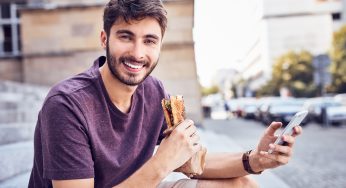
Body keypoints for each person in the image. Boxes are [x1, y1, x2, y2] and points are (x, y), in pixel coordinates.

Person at [28, 0, 302, 187]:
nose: (137, 53)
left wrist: (254, 159)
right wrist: (162, 163)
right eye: (126, 36)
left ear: (160, 45)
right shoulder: (66, 104)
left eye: (149, 41)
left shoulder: (155, 92)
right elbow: (167, 161)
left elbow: (194, 161)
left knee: (243, 184)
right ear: (104, 39)